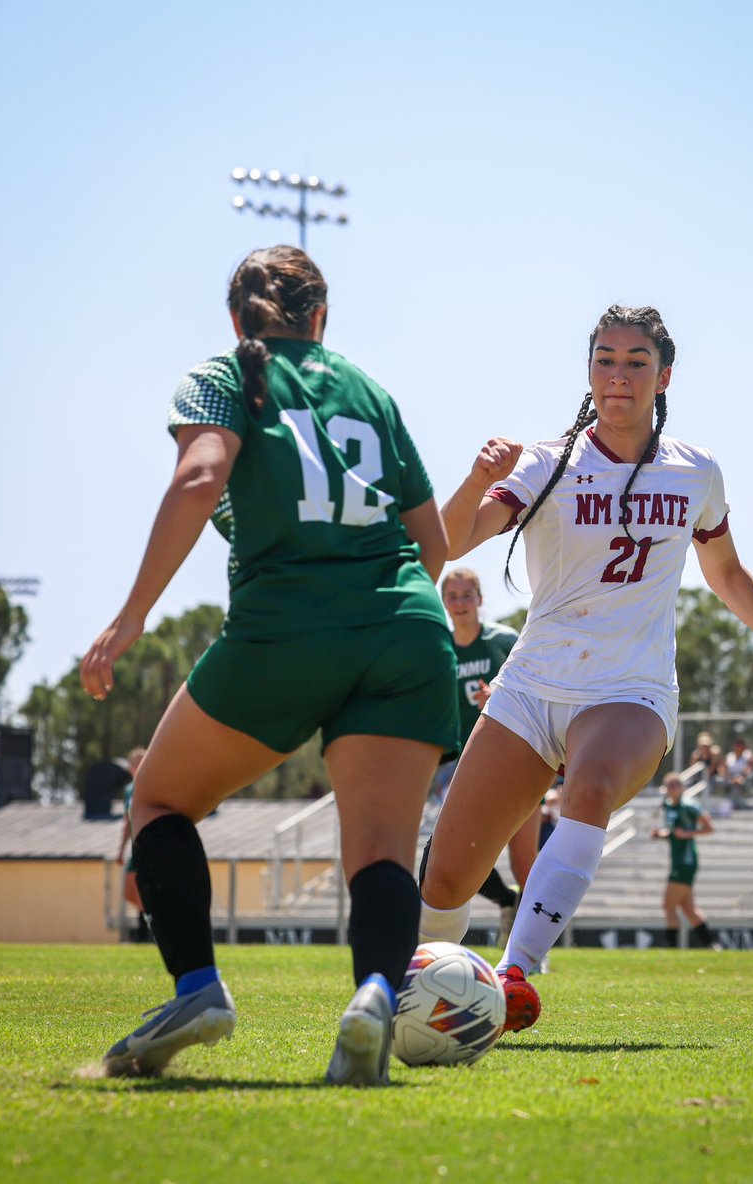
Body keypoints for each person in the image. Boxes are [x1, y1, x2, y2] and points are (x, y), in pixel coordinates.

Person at [80, 244, 458, 1085]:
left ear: (235, 318)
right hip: (405, 626)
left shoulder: (223, 373)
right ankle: (370, 996)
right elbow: (432, 545)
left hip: (284, 628)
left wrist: (130, 615)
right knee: (382, 854)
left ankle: (198, 990)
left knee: (161, 801)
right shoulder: (369, 389)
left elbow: (198, 477)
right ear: (321, 317)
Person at [417, 304, 753, 1030]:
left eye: (636, 361)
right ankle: (422, 997)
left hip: (630, 690)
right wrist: (473, 477)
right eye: (605, 359)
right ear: (588, 371)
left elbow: (728, 573)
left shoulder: (696, 471)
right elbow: (456, 540)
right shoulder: (543, 461)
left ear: (664, 375)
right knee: (446, 882)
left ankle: (517, 973)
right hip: (530, 686)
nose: (619, 375)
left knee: (589, 787)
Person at [435, 567, 536, 945]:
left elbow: (534, 689)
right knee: (459, 857)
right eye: (452, 596)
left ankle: (529, 947)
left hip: (517, 759)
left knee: (524, 858)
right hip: (462, 767)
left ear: (479, 599)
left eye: (466, 595)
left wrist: (499, 699)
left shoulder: (502, 640)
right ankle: (505, 902)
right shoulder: (439, 647)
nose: (460, 604)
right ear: (444, 602)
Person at [651, 772, 719, 948]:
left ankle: (671, 946)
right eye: (670, 785)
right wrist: (661, 835)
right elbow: (674, 831)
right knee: (689, 910)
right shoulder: (668, 807)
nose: (673, 788)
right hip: (677, 860)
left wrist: (688, 834)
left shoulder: (689, 805)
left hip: (686, 861)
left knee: (668, 904)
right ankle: (711, 945)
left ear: (682, 787)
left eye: (676, 785)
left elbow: (709, 827)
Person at [116, 746, 149, 938]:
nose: (138, 765)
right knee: (129, 892)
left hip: (150, 842)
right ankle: (150, 919)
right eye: (135, 762)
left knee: (144, 888)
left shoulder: (152, 784)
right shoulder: (129, 790)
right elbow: (127, 822)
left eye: (142, 761)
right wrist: (120, 850)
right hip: (135, 846)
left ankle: (145, 934)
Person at [723, 734, 753, 809]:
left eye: (740, 746)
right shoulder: (729, 756)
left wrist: (741, 777)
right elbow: (725, 769)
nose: (738, 748)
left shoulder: (748, 755)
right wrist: (732, 779)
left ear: (744, 747)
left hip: (744, 779)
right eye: (737, 746)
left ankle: (735, 807)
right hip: (730, 779)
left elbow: (749, 767)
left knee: (737, 786)